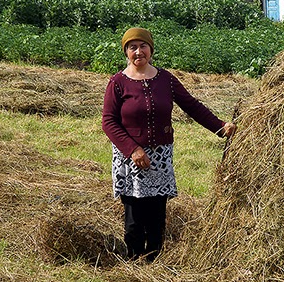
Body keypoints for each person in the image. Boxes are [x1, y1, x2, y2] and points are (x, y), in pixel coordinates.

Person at [101, 27, 237, 262]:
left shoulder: (166, 79)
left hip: (160, 157)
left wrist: (220, 126)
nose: (138, 51)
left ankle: (154, 260)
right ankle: (133, 261)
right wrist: (133, 149)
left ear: (151, 49)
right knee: (134, 218)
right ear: (126, 52)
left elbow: (192, 106)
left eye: (143, 46)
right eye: (132, 47)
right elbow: (108, 122)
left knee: (156, 216)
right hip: (130, 158)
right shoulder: (118, 83)